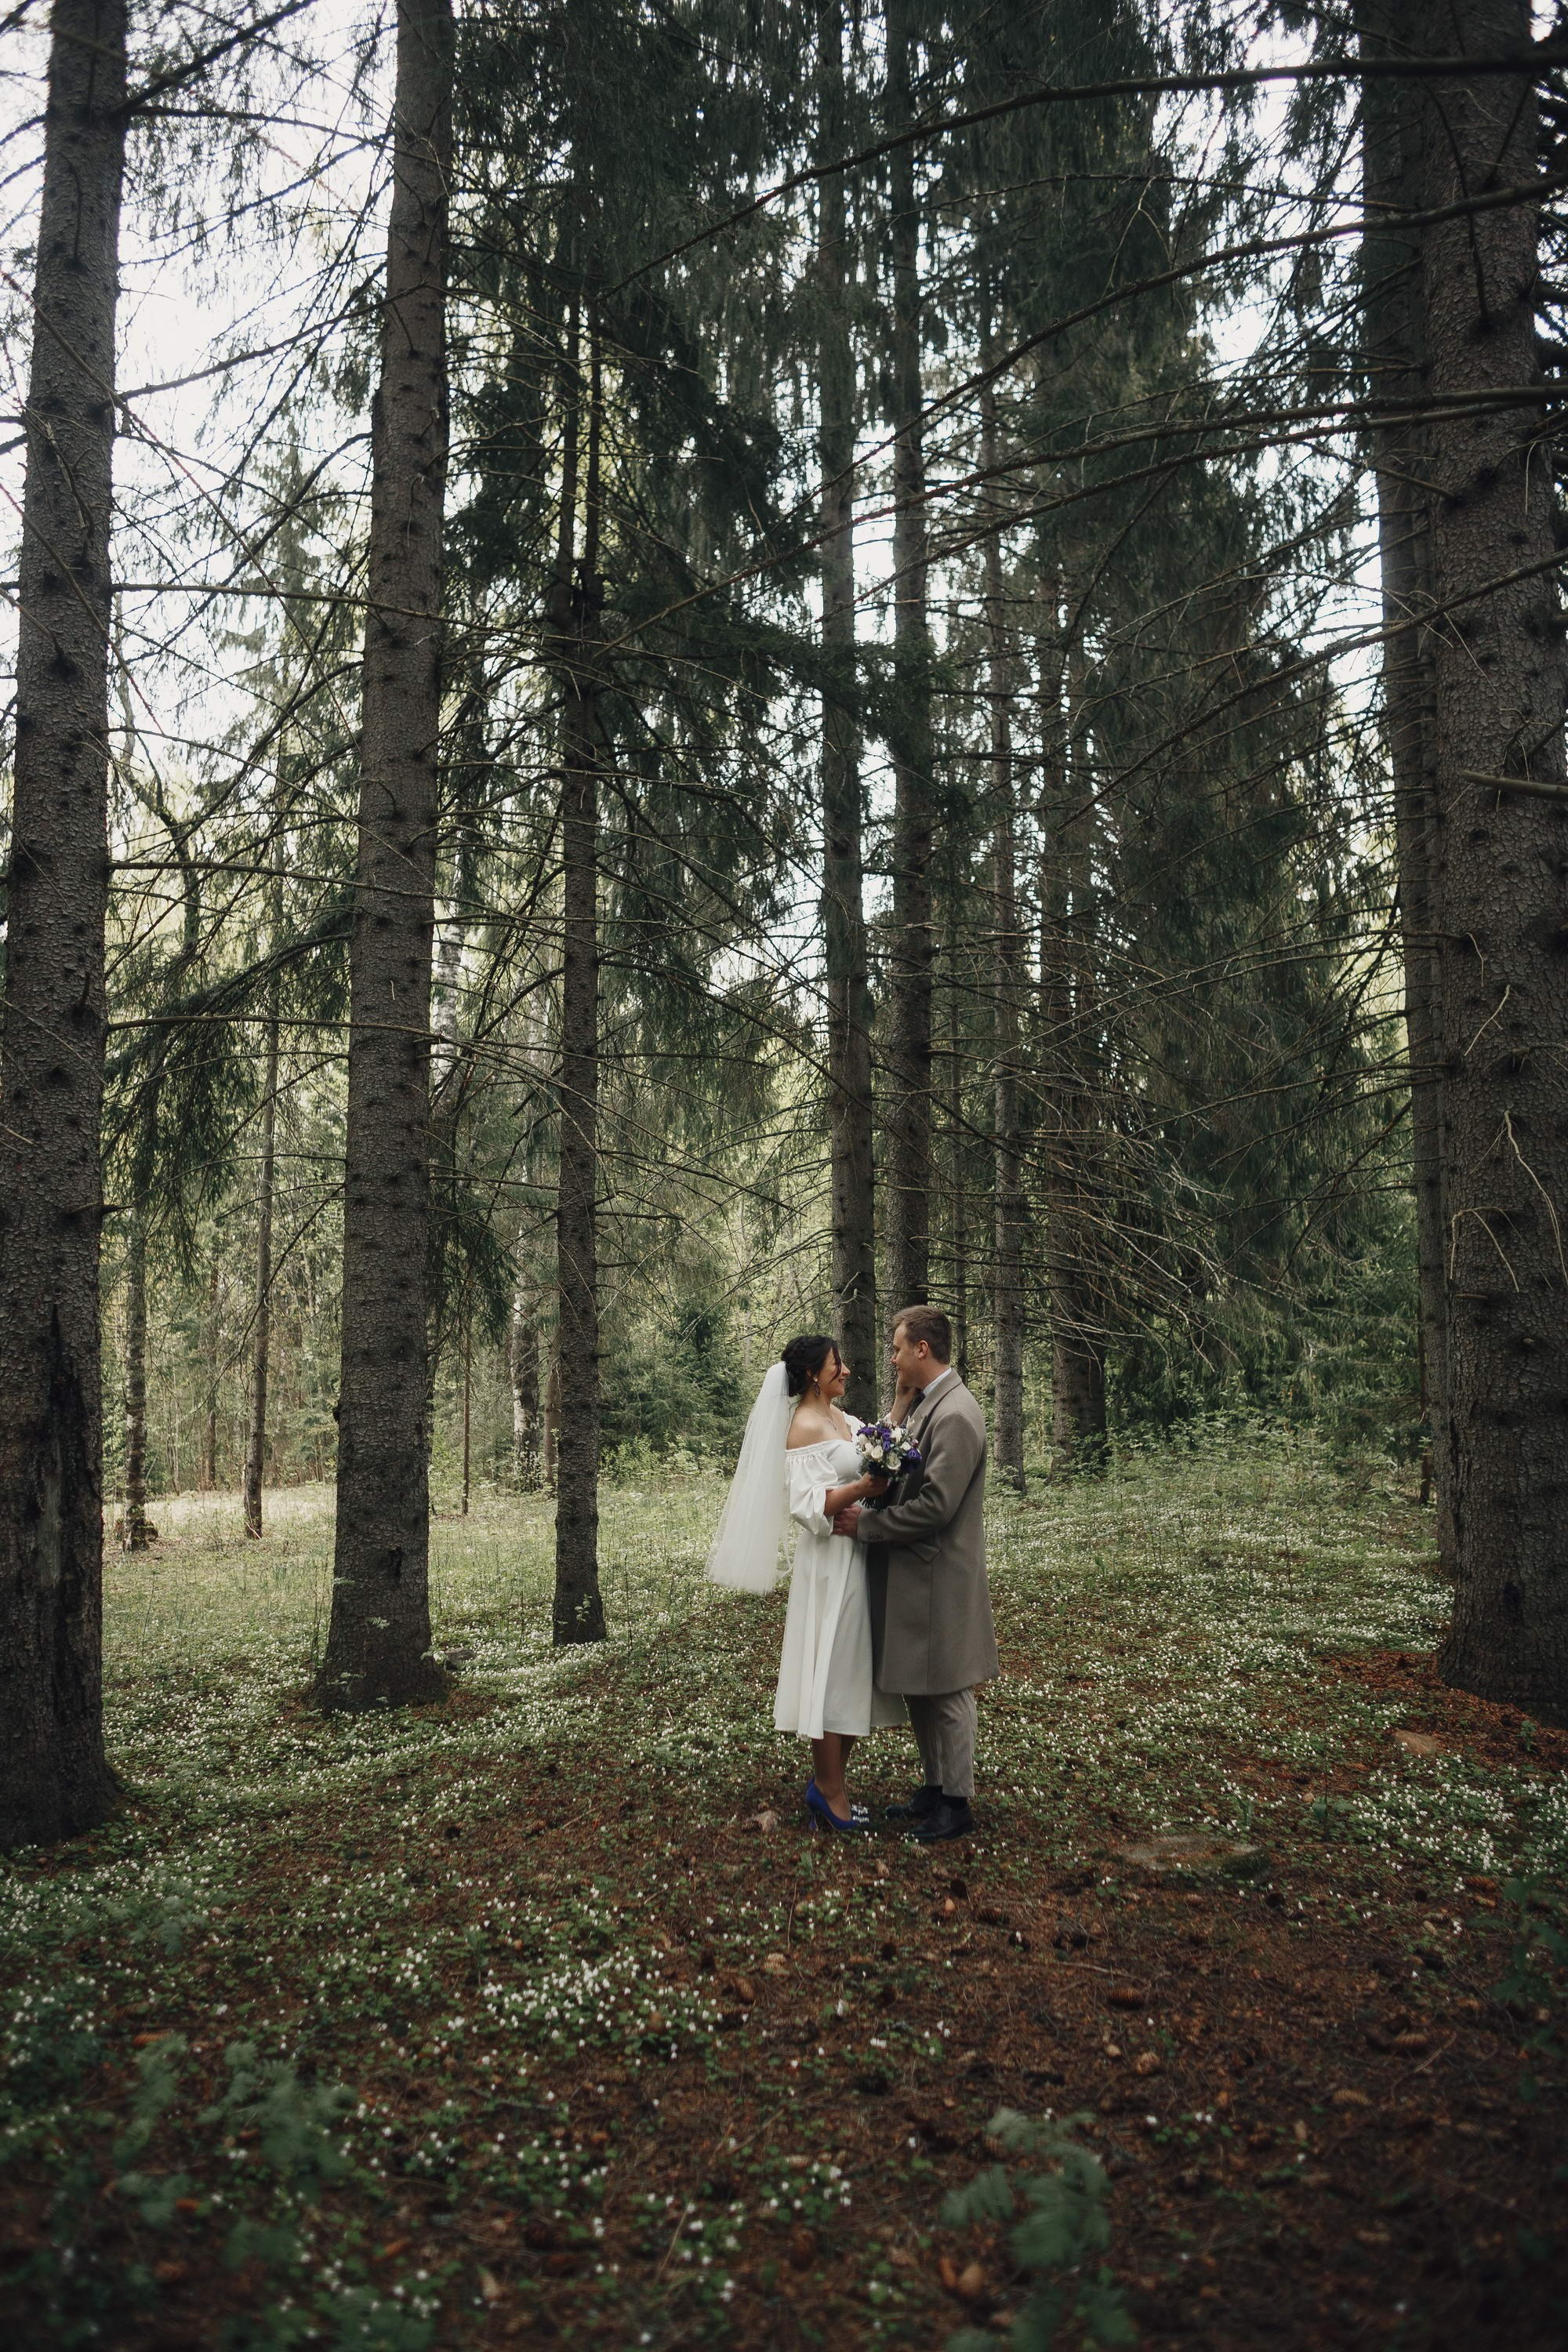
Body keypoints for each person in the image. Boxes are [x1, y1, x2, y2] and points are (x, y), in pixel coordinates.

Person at [706, 1334, 902, 1832]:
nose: (847, 1371)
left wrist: (901, 1402)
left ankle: (829, 1785)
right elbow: (807, 1505)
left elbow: (879, 1445)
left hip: (859, 1555)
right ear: (815, 1372)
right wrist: (859, 1489)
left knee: (855, 1670)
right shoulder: (803, 1427)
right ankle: (828, 1792)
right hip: (829, 1564)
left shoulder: (843, 1419)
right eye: (839, 1364)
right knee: (829, 1671)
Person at [832, 1305, 996, 1844]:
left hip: (939, 1574)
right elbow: (886, 1451)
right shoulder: (929, 1404)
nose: (894, 1356)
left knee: (947, 1689)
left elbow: (937, 1506)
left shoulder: (956, 1414)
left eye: (899, 1348)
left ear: (922, 1349)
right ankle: (934, 1786)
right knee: (922, 1690)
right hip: (915, 1575)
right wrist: (901, 1401)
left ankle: (957, 1801)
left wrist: (869, 1526)